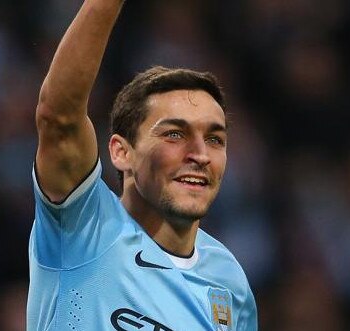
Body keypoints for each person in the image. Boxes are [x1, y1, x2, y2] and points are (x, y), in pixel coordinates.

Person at [27, 0, 258, 330]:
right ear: (122, 153)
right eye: (175, 134)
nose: (200, 154)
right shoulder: (83, 228)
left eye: (214, 139)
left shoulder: (230, 282)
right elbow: (58, 117)